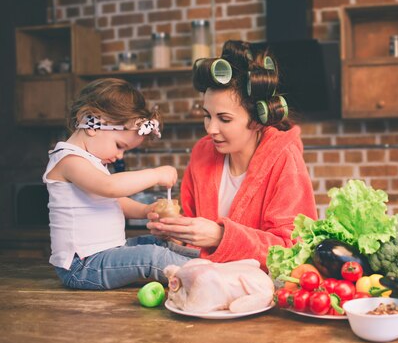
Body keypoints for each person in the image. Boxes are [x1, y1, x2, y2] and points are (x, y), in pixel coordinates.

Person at [147, 40, 317, 271]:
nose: (210, 129)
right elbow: (190, 229)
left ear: (257, 120)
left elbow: (294, 249)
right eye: (207, 115)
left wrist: (221, 237)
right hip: (205, 285)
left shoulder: (284, 160)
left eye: (224, 119)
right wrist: (173, 232)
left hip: (262, 294)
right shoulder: (202, 152)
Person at [43, 78, 197, 290]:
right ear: (91, 123)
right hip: (82, 266)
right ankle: (210, 276)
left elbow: (113, 200)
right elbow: (110, 187)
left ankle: (216, 261)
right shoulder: (68, 160)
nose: (119, 155)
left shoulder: (91, 162)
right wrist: (155, 174)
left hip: (107, 252)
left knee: (159, 245)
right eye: (119, 145)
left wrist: (145, 210)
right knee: (152, 257)